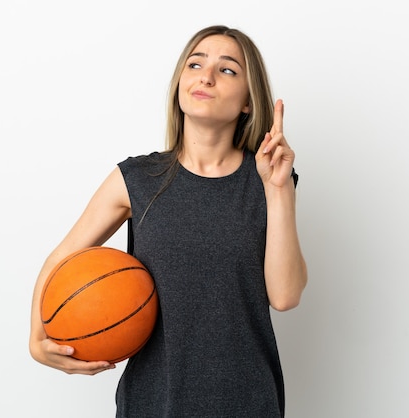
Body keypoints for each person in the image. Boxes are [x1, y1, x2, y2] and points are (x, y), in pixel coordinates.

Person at [29, 24, 307, 417]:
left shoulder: (269, 178)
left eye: (227, 70)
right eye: (195, 64)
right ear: (180, 84)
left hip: (247, 403)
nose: (206, 76)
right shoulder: (137, 179)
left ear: (248, 101)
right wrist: (36, 338)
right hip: (153, 403)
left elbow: (285, 295)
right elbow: (63, 256)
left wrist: (278, 188)